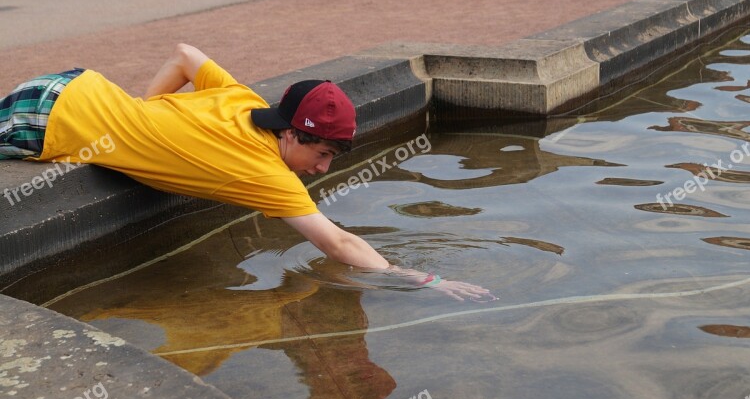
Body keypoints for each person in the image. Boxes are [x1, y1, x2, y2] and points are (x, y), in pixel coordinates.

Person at [0, 43, 493, 302]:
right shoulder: (266, 174)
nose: (320, 169)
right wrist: (426, 281)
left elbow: (185, 54)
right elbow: (339, 244)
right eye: (321, 155)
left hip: (72, 83)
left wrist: (142, 116)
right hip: (46, 120)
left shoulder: (246, 100)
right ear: (293, 136)